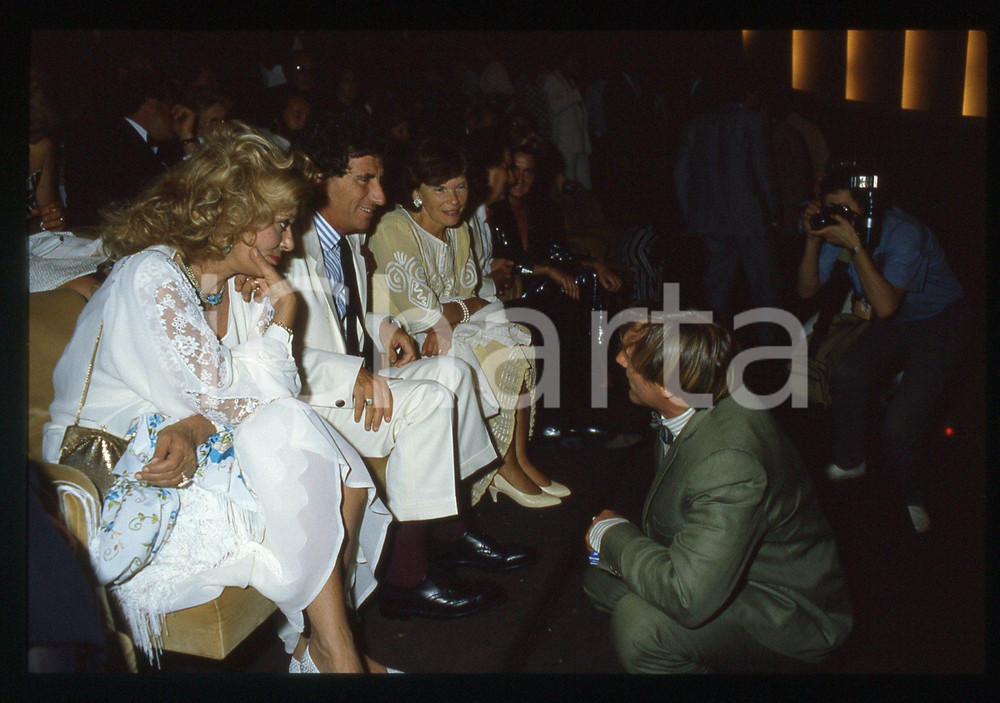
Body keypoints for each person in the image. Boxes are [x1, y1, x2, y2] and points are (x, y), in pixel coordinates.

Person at [41, 122, 395, 673]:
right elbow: (224, 398)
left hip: (181, 444)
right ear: (235, 217)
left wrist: (266, 322)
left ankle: (319, 647)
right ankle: (334, 653)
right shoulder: (151, 276)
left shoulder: (229, 283)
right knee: (295, 439)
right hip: (117, 465)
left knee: (339, 475)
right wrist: (284, 318)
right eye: (280, 225)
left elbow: (255, 394)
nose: (288, 242)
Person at [278, 113, 533, 621]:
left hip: (350, 376)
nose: (378, 195)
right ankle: (406, 575)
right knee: (432, 399)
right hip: (310, 396)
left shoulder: (346, 236)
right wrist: (356, 373)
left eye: (378, 179)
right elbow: (274, 350)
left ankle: (449, 529)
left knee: (453, 375)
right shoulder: (290, 244)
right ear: (319, 180)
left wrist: (383, 328)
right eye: (363, 181)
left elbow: (343, 313)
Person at [583, 314, 852, 673]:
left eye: (633, 356)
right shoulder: (701, 390)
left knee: (639, 627)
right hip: (727, 571)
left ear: (670, 388)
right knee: (600, 577)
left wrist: (608, 532)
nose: (620, 359)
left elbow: (687, 598)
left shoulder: (729, 462)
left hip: (786, 611)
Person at [369, 137, 568, 508]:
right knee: (492, 343)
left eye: (460, 186)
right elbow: (424, 314)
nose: (454, 199)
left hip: (448, 330)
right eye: (440, 189)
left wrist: (463, 307)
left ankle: (518, 457)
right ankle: (500, 466)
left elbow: (470, 293)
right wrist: (466, 306)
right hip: (402, 343)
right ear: (417, 192)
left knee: (518, 335)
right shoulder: (394, 227)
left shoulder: (457, 226)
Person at [796, 161, 971, 533]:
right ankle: (851, 459)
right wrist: (813, 242)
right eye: (833, 209)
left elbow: (886, 304)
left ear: (871, 207)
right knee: (846, 372)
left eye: (846, 209)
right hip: (899, 324)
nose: (839, 217)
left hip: (942, 325)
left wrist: (856, 246)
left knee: (899, 427)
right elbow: (807, 289)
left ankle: (912, 497)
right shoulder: (842, 233)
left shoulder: (905, 234)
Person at [673, 75, 780, 344]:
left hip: (709, 219)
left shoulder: (695, 126)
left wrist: (692, 215)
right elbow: (763, 173)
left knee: (717, 289)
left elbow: (681, 176)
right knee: (763, 287)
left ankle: (711, 347)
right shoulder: (752, 122)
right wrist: (772, 213)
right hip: (749, 218)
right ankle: (767, 351)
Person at [63, 66, 200, 229]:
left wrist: (186, 135)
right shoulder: (108, 144)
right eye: (170, 107)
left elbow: (202, 186)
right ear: (151, 104)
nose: (174, 116)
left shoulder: (165, 148)